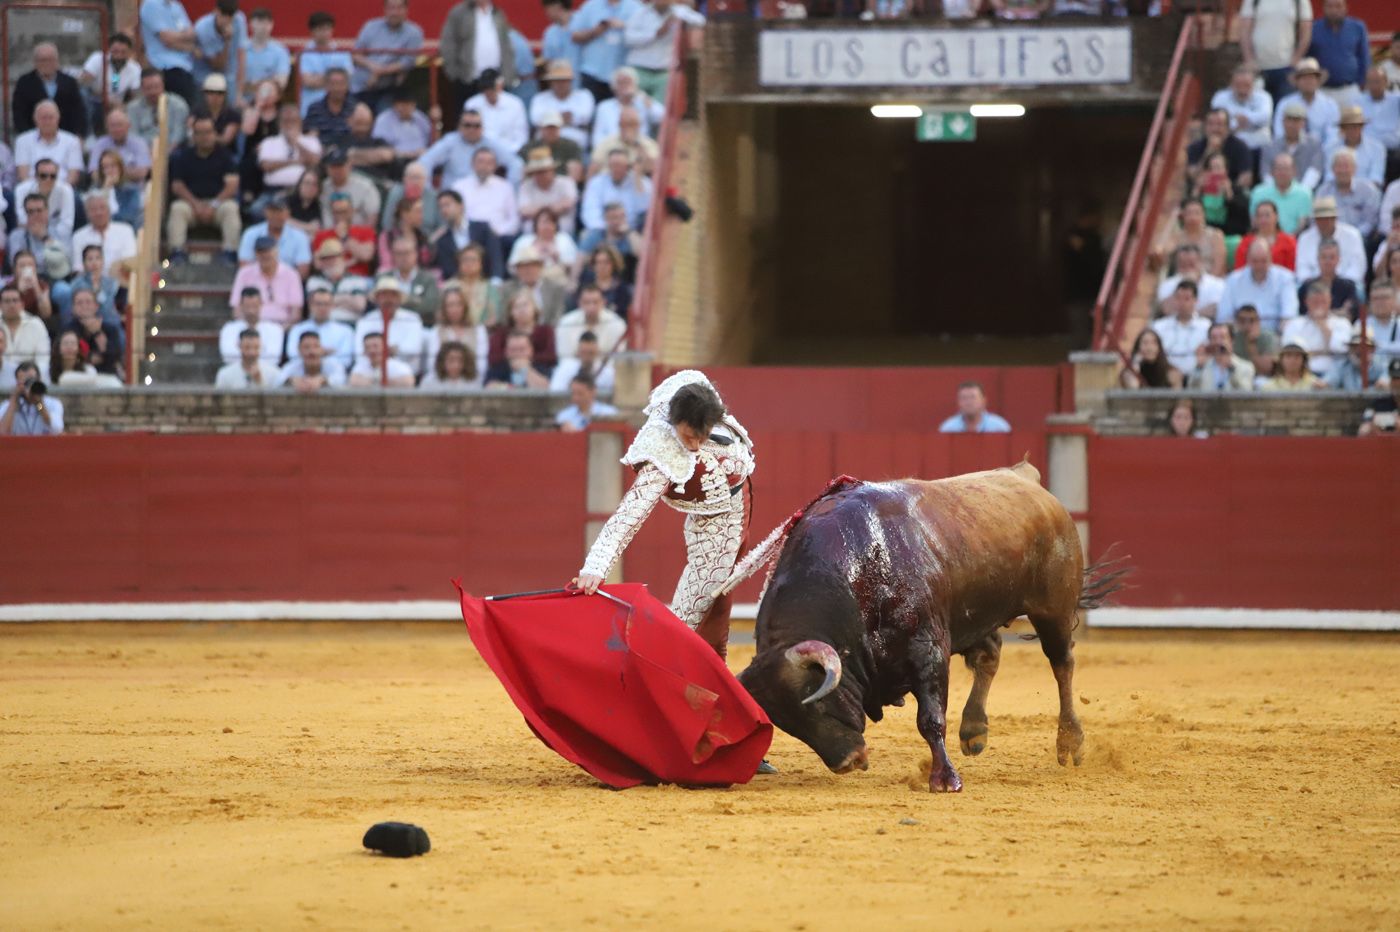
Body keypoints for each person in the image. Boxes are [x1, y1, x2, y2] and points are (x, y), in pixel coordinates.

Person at [571, 371, 751, 657]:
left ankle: (709, 691)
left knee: (710, 616)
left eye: (702, 437)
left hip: (731, 511)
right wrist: (595, 567)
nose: (694, 446)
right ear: (675, 422)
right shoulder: (661, 452)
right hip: (714, 524)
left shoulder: (699, 396)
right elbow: (630, 513)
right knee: (686, 624)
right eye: (689, 437)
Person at [441, 0, 518, 116]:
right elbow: (448, 44)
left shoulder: (497, 13)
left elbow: (506, 45)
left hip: (496, 79)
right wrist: (454, 74)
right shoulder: (459, 13)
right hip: (468, 79)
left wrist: (507, 75)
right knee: (470, 121)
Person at [415, 107, 520, 190]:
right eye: (467, 125)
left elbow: (516, 163)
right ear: (460, 126)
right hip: (454, 199)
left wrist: (510, 190)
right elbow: (424, 162)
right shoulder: (450, 142)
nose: (472, 129)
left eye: (476, 126)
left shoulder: (490, 144)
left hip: (484, 197)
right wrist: (428, 190)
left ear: (482, 128)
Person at [351, 0, 425, 111]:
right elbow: (356, 54)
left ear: (406, 10)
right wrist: (372, 67)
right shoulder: (370, 26)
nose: (395, 12)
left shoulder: (414, 32)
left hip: (388, 88)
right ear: (385, 10)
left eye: (399, 8)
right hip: (361, 85)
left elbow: (407, 62)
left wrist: (380, 72)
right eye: (391, 8)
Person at [625, 0, 703, 100]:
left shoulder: (678, 11)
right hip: (640, 69)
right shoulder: (640, 13)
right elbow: (628, 39)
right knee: (636, 106)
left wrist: (679, 16)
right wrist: (655, 34)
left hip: (663, 71)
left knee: (660, 111)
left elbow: (701, 21)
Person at [1238, 0, 1311, 104]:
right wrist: (1249, 60)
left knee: (1284, 113)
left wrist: (1295, 61)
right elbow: (1244, 31)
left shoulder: (1299, 1)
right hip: (1258, 69)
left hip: (1286, 69)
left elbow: (1306, 33)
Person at [1219, 238, 1300, 330]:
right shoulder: (1233, 280)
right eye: (1255, 261)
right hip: (1241, 333)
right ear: (1248, 260)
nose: (1259, 266)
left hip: (1274, 335)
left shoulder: (1285, 279)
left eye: (1263, 261)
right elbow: (1224, 317)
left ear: (1270, 258)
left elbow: (1289, 316)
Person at [571, 0, 642, 103]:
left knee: (619, 115)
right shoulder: (591, 5)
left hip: (622, 76)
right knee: (589, 114)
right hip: (593, 73)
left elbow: (647, 36)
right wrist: (595, 31)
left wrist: (625, 26)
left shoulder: (635, 7)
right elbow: (574, 36)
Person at [12, 43, 88, 138]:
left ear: (57, 61)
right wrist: (26, 138)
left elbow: (79, 112)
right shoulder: (24, 83)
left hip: (66, 138)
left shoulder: (69, 82)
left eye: (51, 59)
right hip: (34, 138)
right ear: (35, 62)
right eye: (43, 60)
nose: (47, 63)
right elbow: (19, 114)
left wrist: (80, 136)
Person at [356, 277, 427, 375]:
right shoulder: (366, 320)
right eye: (384, 295)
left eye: (393, 295)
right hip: (371, 373)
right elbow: (359, 352)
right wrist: (387, 351)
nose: (388, 299)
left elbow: (413, 349)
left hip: (405, 375)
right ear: (377, 299)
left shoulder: (413, 319)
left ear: (399, 299)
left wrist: (382, 351)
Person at [1281, 281, 1351, 377]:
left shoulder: (1342, 323)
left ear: (1330, 300)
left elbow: (1341, 349)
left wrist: (1322, 325)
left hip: (1334, 374)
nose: (1319, 306)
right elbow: (1289, 350)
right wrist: (1325, 352)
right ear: (1306, 302)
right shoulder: (1295, 324)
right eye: (1315, 302)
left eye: (1323, 302)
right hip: (1303, 373)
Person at [1307, 0, 1370, 106]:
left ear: (1346, 7)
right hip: (1322, 90)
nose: (1334, 10)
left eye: (1338, 6)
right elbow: (1307, 58)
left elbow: (1364, 57)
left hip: (1350, 90)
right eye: (1330, 6)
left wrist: (1362, 83)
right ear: (1323, 8)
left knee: (1352, 122)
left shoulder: (1357, 27)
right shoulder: (1313, 29)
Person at [452, 148, 520, 245]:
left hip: (498, 237)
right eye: (481, 162)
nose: (484, 166)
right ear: (472, 164)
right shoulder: (459, 187)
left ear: (495, 166)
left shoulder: (505, 187)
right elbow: (455, 217)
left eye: (489, 163)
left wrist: (498, 232)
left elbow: (514, 220)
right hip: (468, 237)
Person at [231, 235, 304, 326]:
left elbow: (296, 313)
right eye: (260, 252)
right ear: (255, 253)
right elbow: (236, 308)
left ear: (276, 252)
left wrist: (280, 331)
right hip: (251, 326)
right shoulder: (244, 274)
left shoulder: (291, 274)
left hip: (282, 326)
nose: (264, 255)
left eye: (268, 251)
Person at [1295, 195, 1366, 286]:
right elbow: (1302, 269)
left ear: (1334, 218)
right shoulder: (1305, 238)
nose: (1324, 222)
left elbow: (1357, 267)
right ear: (1315, 220)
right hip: (1314, 285)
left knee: (1358, 289)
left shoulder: (1352, 235)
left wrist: (1339, 284)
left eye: (1327, 218)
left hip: (1346, 284)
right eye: (1320, 219)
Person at [1315, 148, 1382, 240]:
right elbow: (1317, 219)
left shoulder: (1368, 190)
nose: (1343, 170)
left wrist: (1351, 236)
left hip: (1360, 238)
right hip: (1329, 238)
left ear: (1355, 168)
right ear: (1332, 169)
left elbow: (1370, 222)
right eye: (1339, 166)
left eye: (1346, 166)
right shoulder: (1323, 191)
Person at [140, 0, 199, 104]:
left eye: (121, 51)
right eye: (117, 52)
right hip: (167, 69)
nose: (119, 54)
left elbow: (192, 34)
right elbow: (167, 39)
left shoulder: (176, 6)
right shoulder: (115, 70)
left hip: (186, 68)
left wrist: (177, 39)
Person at [581, 148, 652, 234]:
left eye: (620, 165)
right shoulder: (597, 182)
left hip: (631, 230)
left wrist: (637, 178)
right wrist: (604, 229)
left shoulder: (642, 182)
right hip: (602, 230)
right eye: (613, 165)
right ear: (608, 166)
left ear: (628, 166)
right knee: (587, 236)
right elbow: (590, 210)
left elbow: (644, 210)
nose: (616, 168)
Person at [1272, 57, 1341, 143]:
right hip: (1292, 151)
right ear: (1297, 82)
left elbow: (1333, 136)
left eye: (1312, 77)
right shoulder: (1285, 104)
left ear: (1318, 81)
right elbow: (1279, 133)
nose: (1308, 81)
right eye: (1304, 78)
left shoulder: (1330, 105)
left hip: (1322, 152)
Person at [238, 195, 313, 275]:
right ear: (265, 212)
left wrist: (279, 282)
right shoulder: (251, 233)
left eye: (280, 211)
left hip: (289, 283)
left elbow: (303, 271)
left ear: (288, 213)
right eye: (272, 211)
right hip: (257, 282)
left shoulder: (299, 236)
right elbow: (245, 266)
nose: (276, 215)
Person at [1259, 102, 1326, 191]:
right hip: (1275, 192)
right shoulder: (1270, 146)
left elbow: (1315, 170)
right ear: (1283, 122)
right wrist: (1277, 191)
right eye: (1289, 120)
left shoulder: (1313, 144)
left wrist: (1300, 192)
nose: (1291, 124)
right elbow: (1266, 173)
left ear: (1303, 123)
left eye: (1296, 120)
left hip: (1305, 193)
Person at [71, 192, 138, 280]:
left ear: (109, 210)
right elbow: (78, 268)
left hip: (120, 282)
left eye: (102, 208)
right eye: (94, 209)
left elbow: (129, 261)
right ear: (87, 213)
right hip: (90, 285)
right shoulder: (78, 236)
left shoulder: (125, 230)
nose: (99, 213)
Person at [14, 101, 84, 185]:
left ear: (58, 118)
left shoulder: (72, 141)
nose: (47, 122)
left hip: (63, 190)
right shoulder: (22, 141)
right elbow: (23, 175)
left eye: (51, 117)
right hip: (31, 191)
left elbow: (73, 176)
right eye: (43, 118)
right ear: (35, 119)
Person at [298, 12, 354, 116]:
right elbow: (308, 81)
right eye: (320, 29)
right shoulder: (304, 53)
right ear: (312, 31)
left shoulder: (342, 52)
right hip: (310, 107)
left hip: (340, 107)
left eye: (327, 28)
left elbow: (347, 80)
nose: (325, 32)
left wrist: (319, 78)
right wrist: (335, 80)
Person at [306, 238, 372, 325]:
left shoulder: (357, 279)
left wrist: (329, 301)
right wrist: (347, 298)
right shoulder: (314, 281)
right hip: (321, 325)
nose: (330, 262)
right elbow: (315, 306)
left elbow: (360, 305)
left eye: (334, 257)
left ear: (342, 258)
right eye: (326, 258)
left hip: (351, 325)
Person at [423, 287, 486, 378]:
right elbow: (431, 364)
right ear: (444, 308)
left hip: (471, 380)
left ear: (465, 306)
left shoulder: (479, 330)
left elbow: (482, 363)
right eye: (450, 305)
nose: (455, 309)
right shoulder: (436, 331)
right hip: (443, 381)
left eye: (458, 304)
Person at [286, 287, 356, 368]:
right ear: (310, 305)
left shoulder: (345, 331)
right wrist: (324, 352)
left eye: (326, 304)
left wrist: (311, 354)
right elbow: (292, 356)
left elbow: (345, 360)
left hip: (333, 373)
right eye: (318, 304)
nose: (322, 308)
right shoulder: (297, 329)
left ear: (333, 306)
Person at [1154, 200, 1227, 278]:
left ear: (1204, 215)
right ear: (1183, 216)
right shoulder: (1177, 237)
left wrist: (1207, 284)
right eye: (1189, 213)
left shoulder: (1215, 235)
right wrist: (1172, 219)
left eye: (1197, 213)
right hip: (1182, 282)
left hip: (1209, 281)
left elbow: (1219, 265)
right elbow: (1160, 254)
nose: (1193, 217)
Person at [1152, 281, 1213, 373]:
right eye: (1178, 298)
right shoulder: (1159, 326)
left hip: (1196, 378)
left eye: (1186, 299)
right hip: (1163, 377)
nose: (1181, 303)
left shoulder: (1207, 327)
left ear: (1196, 301)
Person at [530, 61, 594, 148]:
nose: (560, 84)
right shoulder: (540, 98)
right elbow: (536, 119)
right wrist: (564, 118)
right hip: (546, 144)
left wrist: (551, 120)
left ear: (570, 81)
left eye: (564, 80)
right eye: (556, 80)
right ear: (550, 82)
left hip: (576, 144)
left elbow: (585, 117)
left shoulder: (584, 95)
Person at [1187, 108, 1253, 192]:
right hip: (1202, 191)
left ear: (1227, 127)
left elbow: (1246, 177)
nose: (1214, 129)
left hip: (1230, 192)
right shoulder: (1195, 147)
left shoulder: (1240, 147)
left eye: (1219, 124)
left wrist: (1229, 188)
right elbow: (1192, 176)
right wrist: (1208, 152)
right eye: (1210, 124)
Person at [1210, 64, 1273, 151]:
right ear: (1231, 83)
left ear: (1253, 84)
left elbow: (1265, 117)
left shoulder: (1264, 97)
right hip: (1230, 146)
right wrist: (1238, 124)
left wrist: (1242, 119)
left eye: (1246, 84)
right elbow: (1217, 121)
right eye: (1239, 84)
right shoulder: (1220, 97)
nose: (1242, 88)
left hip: (1259, 146)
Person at [14, 160, 77, 247]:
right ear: (35, 177)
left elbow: (67, 224)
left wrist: (47, 235)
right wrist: (38, 231)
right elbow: (22, 220)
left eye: (53, 176)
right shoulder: (21, 190)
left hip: (57, 236)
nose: (48, 179)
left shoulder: (66, 190)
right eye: (43, 176)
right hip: (28, 234)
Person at [489, 290, 557, 369]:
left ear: (535, 308)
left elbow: (551, 356)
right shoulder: (501, 333)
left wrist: (526, 361)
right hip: (506, 372)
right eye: (516, 306)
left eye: (525, 305)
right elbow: (493, 357)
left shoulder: (546, 331)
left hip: (539, 370)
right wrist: (515, 361)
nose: (521, 310)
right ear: (510, 312)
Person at [466, 69, 529, 153]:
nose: (488, 92)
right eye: (485, 88)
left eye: (491, 88)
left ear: (500, 85)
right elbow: (468, 135)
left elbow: (521, 138)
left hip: (510, 152)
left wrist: (506, 154)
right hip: (480, 155)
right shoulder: (472, 104)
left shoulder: (515, 104)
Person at [1248, 153, 1313, 235]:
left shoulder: (1304, 194)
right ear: (1271, 172)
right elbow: (1254, 222)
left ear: (1294, 171)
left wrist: (1286, 241)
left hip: (1294, 241)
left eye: (1286, 169)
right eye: (1278, 168)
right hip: (1264, 240)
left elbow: (1303, 224)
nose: (1282, 173)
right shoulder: (1258, 192)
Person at [502, 245, 569, 324]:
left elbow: (557, 316)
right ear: (517, 270)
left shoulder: (555, 289)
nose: (528, 270)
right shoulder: (506, 289)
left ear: (540, 267)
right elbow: (504, 317)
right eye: (523, 267)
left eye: (532, 266)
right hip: (516, 333)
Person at [128, 68, 191, 151]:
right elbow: (133, 134)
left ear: (163, 85)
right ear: (142, 88)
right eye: (148, 88)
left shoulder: (178, 105)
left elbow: (179, 134)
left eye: (157, 87)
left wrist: (164, 153)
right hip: (142, 150)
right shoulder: (133, 107)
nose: (153, 92)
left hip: (172, 149)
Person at [517, 152, 580, 235]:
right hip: (532, 236)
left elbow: (568, 203)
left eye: (544, 171)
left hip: (563, 234)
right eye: (537, 172)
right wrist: (552, 209)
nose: (541, 175)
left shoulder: (567, 182)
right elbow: (524, 210)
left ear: (552, 170)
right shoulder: (526, 186)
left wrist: (538, 211)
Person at [315, 194, 378, 277]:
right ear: (332, 213)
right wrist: (352, 261)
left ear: (352, 211)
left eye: (344, 211)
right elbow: (317, 264)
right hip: (329, 278)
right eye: (337, 212)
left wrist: (345, 237)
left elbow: (366, 256)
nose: (341, 216)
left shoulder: (366, 231)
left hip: (357, 277)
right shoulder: (322, 235)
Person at [557, 284, 625, 359]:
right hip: (574, 366)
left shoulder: (617, 323)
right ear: (579, 303)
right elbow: (564, 357)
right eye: (587, 302)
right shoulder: (566, 323)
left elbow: (619, 357)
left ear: (603, 302)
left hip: (606, 367)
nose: (591, 307)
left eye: (595, 302)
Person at [67, 288, 124, 378]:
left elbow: (113, 357)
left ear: (96, 306)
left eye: (88, 302)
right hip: (76, 375)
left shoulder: (111, 329)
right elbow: (68, 358)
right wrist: (93, 358)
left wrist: (97, 332)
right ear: (73, 308)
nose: (84, 306)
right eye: (79, 303)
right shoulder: (67, 330)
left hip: (105, 375)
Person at [1297, 240, 1361, 319]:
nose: (1328, 261)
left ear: (1338, 259)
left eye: (1332, 257)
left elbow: (1350, 315)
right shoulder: (1306, 287)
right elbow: (1303, 315)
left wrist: (1319, 313)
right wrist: (1337, 312)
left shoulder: (1348, 287)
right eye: (1324, 257)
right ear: (1318, 259)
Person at [1157, 244, 1225, 317]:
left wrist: (1192, 318)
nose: (1187, 269)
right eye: (1183, 264)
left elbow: (1215, 309)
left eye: (1191, 264)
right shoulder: (1167, 284)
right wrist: (1184, 284)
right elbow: (1167, 310)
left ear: (1201, 262)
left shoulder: (1218, 284)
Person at [79, 33, 143, 111]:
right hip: (96, 100)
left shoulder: (135, 68)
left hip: (119, 104)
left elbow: (136, 93)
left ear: (129, 53)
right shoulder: (97, 58)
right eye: (115, 52)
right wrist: (87, 76)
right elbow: (83, 82)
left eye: (123, 52)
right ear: (109, 50)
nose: (119, 56)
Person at [510, 208, 578, 281]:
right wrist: (534, 261)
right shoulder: (523, 241)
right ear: (536, 224)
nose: (547, 226)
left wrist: (557, 257)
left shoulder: (564, 239)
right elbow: (511, 267)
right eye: (544, 222)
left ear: (556, 225)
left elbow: (574, 266)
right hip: (529, 282)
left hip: (558, 282)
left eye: (551, 222)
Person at [1323, 106, 1386, 186]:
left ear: (1362, 127)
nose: (1352, 131)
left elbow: (1376, 178)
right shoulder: (1329, 148)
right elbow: (1329, 176)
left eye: (1355, 127)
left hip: (1367, 193)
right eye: (1347, 127)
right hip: (1337, 191)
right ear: (1342, 129)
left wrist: (1357, 189)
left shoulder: (1377, 148)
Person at [192, 0, 247, 92]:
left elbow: (241, 54)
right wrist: (227, 41)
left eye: (230, 17)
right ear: (216, 11)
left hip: (229, 78)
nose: (226, 20)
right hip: (203, 80)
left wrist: (239, 91)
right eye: (223, 15)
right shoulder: (202, 28)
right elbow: (218, 65)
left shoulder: (239, 20)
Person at [578, 201, 643, 277]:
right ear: (606, 219)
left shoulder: (631, 236)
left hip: (625, 280)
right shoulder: (595, 236)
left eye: (622, 217)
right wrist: (574, 281)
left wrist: (629, 232)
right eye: (614, 217)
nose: (619, 221)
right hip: (598, 279)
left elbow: (643, 254)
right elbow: (580, 259)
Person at [88, 109, 152, 186]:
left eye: (120, 125)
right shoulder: (100, 144)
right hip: (105, 187)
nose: (116, 129)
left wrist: (112, 172)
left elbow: (142, 173)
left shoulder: (139, 143)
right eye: (112, 126)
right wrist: (128, 172)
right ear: (107, 127)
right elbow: (94, 174)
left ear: (128, 126)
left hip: (133, 191)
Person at [220, 288, 285, 363]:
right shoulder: (229, 329)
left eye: (254, 306)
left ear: (261, 304)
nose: (251, 311)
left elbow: (273, 358)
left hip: (266, 372)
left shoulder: (275, 329)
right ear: (241, 305)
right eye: (247, 306)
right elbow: (228, 357)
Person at [320, 150, 382, 227]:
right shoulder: (323, 186)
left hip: (358, 234)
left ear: (349, 166)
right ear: (327, 168)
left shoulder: (365, 186)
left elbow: (372, 218)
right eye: (333, 166)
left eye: (340, 166)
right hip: (329, 235)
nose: (337, 170)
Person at [520, 112, 586, 184]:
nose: (551, 131)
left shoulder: (571, 146)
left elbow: (575, 171)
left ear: (560, 128)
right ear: (541, 129)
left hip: (562, 184)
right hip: (536, 185)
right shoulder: (530, 147)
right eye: (548, 128)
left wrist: (569, 187)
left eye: (554, 128)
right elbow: (524, 169)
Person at [1188, 323, 1256, 390]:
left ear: (1232, 341)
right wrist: (1199, 368)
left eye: (1222, 337)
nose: (1218, 342)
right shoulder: (1201, 366)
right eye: (1214, 338)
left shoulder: (1246, 366)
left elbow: (1245, 393)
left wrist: (1231, 368)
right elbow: (1192, 391)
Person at [0, 361, 63, 435]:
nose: (28, 386)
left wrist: (39, 404)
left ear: (39, 380)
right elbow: (2, 432)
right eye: (24, 382)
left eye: (31, 381)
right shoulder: (9, 405)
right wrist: (14, 401)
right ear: (17, 383)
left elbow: (57, 429)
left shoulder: (52, 404)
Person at [0, 285, 51, 374]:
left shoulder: (36, 324)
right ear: (0, 305)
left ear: (22, 304)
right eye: (7, 301)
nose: (11, 305)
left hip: (30, 378)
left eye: (15, 300)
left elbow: (43, 360)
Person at [373, 87, 433, 164]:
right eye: (402, 104)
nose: (405, 108)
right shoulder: (383, 120)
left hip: (423, 159)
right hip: (398, 162)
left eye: (408, 104)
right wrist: (409, 155)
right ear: (394, 105)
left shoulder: (420, 117)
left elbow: (432, 138)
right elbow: (381, 147)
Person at [1234, 200, 1297, 271]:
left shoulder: (1289, 241)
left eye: (1267, 215)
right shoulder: (1245, 242)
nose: (1263, 220)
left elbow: (1292, 271)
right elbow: (1240, 271)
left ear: (1277, 217)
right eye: (1260, 216)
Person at [243, 8, 291, 99]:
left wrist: (252, 85)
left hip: (269, 104)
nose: (263, 26)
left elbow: (281, 83)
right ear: (250, 24)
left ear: (272, 25)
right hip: (241, 103)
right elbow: (234, 82)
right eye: (259, 21)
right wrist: (267, 82)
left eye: (267, 22)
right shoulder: (241, 49)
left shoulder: (280, 51)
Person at [342, 104, 398, 181]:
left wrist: (353, 154)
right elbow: (339, 158)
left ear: (372, 122)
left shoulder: (378, 141)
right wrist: (372, 157)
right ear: (349, 121)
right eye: (359, 123)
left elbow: (386, 156)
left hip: (378, 183)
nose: (362, 128)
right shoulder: (342, 140)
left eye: (365, 123)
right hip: (351, 182)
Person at [549, 329, 615, 393]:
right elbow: (555, 391)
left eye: (591, 353)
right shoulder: (565, 368)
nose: (587, 357)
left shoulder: (608, 372)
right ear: (578, 352)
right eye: (584, 352)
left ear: (597, 352)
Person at [278, 330, 347, 391]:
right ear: (299, 350)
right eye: (306, 347)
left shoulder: (334, 365)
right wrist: (291, 380)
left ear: (322, 349)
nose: (312, 351)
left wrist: (322, 380)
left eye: (316, 346)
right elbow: (277, 381)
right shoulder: (292, 366)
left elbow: (342, 380)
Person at [576, 244, 631, 318]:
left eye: (606, 262)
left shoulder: (622, 289)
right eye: (598, 262)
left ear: (614, 264)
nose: (602, 266)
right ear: (593, 265)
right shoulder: (585, 285)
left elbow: (623, 314)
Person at [304, 69, 357, 145]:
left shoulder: (355, 108)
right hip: (322, 152)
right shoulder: (314, 109)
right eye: (333, 84)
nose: (337, 88)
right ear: (326, 86)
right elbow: (310, 137)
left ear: (347, 86)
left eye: (341, 84)